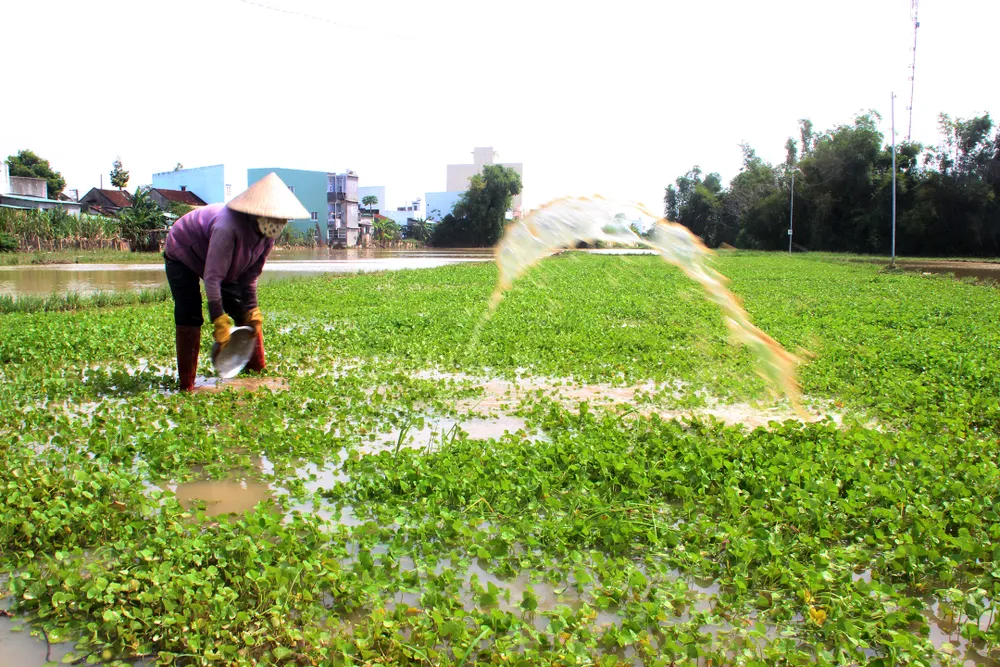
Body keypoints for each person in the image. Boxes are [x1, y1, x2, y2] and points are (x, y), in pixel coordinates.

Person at [163, 172, 309, 391]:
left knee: (243, 312)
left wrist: (252, 310)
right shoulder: (228, 227)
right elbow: (213, 278)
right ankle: (187, 386)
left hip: (222, 262)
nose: (279, 223)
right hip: (184, 249)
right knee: (190, 314)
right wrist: (218, 318)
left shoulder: (267, 235)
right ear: (259, 212)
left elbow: (249, 277)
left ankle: (257, 376)